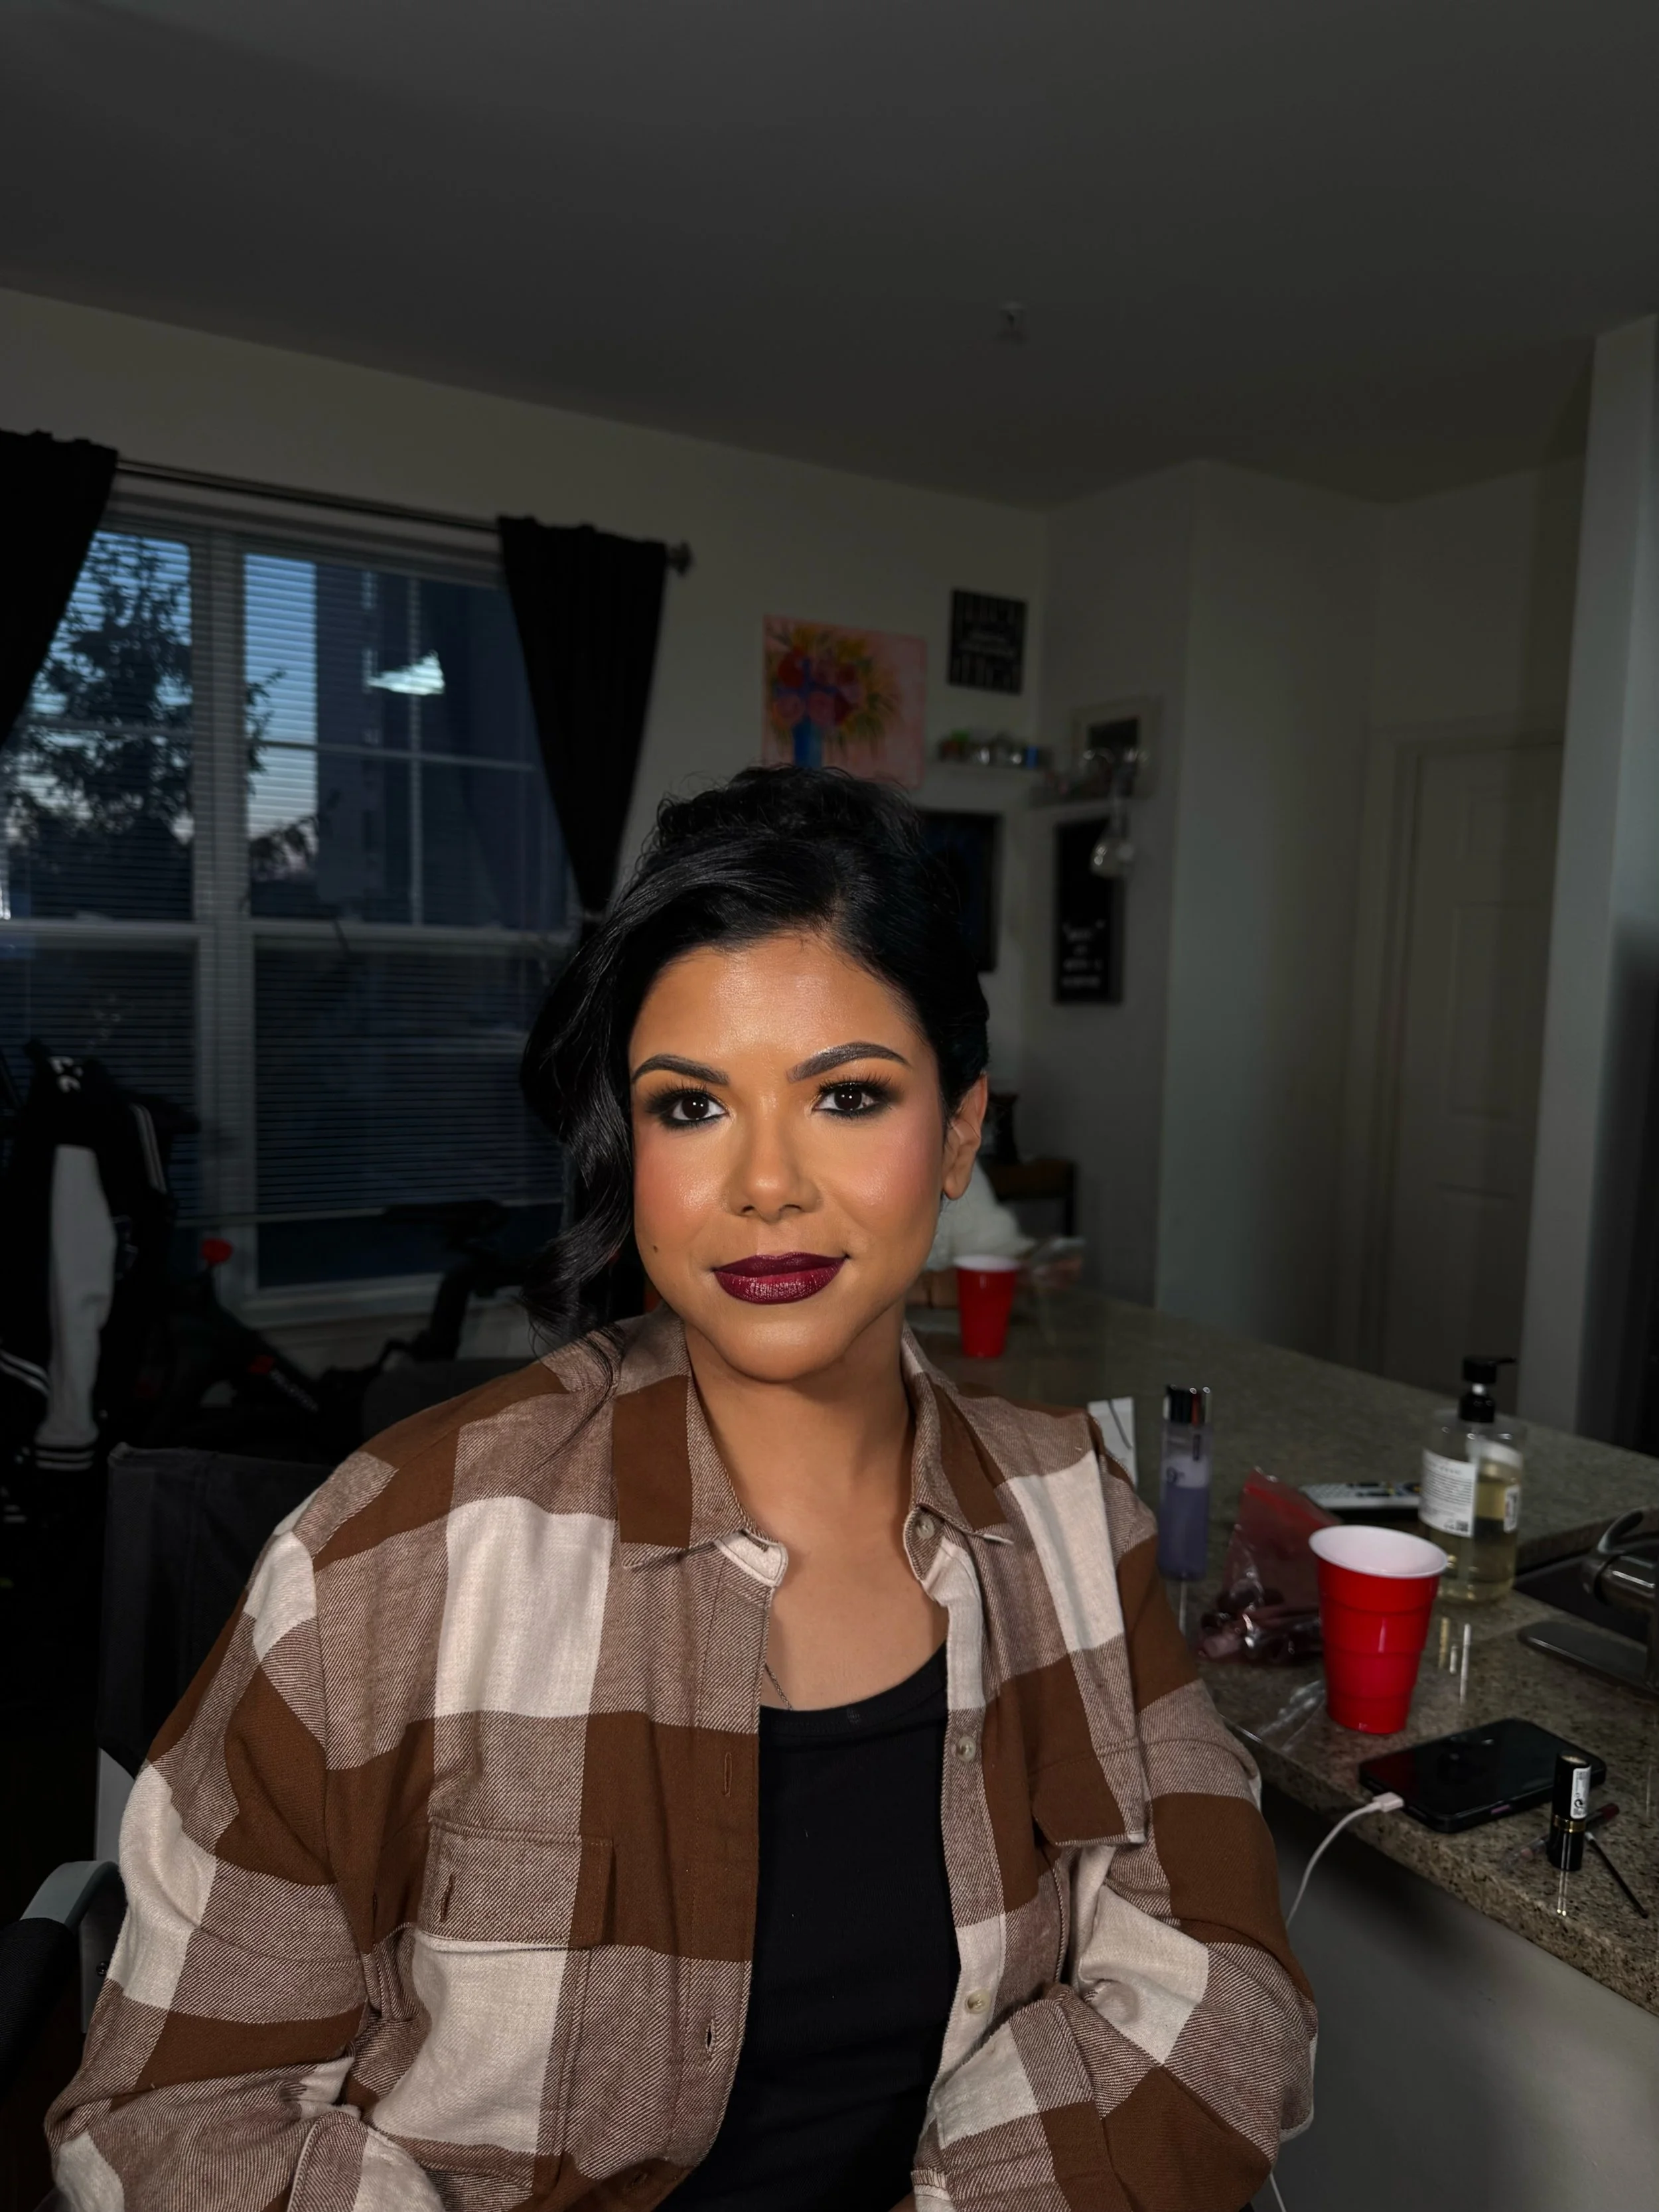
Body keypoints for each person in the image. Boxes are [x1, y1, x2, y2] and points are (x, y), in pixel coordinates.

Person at [50, 766, 1315, 2211]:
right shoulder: (385, 1560)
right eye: (691, 1105)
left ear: (960, 1131)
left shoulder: (1073, 1516)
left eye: (846, 1095)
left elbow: (1220, 1986)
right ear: (628, 1143)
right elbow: (164, 2120)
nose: (764, 1182)